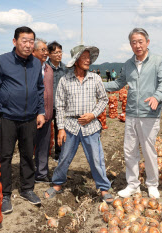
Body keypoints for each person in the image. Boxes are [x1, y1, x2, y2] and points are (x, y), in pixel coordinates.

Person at [104, 28, 162, 199]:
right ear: (130, 45)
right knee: (129, 150)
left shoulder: (158, 61)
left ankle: (152, 184)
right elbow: (118, 83)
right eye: (134, 42)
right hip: (132, 113)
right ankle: (133, 185)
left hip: (150, 113)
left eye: (140, 41)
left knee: (149, 150)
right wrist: (99, 84)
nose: (137, 45)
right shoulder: (128, 64)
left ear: (147, 42)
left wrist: (157, 96)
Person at [0, 26, 45, 214]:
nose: (28, 45)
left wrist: (41, 111)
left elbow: (40, 89)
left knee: (28, 155)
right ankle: (4, 194)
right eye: (24, 41)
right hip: (7, 118)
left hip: (29, 118)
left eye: (31, 41)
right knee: (5, 156)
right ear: (14, 42)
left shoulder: (36, 63)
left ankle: (27, 189)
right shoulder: (0, 62)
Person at [44, 45, 113, 203]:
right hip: (70, 125)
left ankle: (103, 188)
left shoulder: (95, 78)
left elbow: (104, 99)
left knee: (96, 158)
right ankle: (57, 183)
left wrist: (93, 114)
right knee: (64, 157)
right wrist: (60, 128)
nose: (88, 60)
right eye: (84, 57)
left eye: (89, 57)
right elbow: (60, 105)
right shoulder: (65, 80)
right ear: (76, 61)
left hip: (91, 125)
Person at [32, 38, 54, 183]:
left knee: (44, 145)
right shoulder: (27, 68)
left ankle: (41, 173)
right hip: (31, 115)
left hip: (47, 114)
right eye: (43, 50)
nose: (46, 53)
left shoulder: (49, 69)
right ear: (33, 52)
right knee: (28, 146)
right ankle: (27, 174)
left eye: (47, 50)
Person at [46, 41, 68, 161]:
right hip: (47, 106)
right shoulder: (44, 68)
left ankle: (59, 155)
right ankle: (43, 154)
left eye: (60, 52)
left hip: (61, 106)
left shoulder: (65, 69)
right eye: (55, 52)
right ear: (49, 54)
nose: (59, 54)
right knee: (45, 133)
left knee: (60, 130)